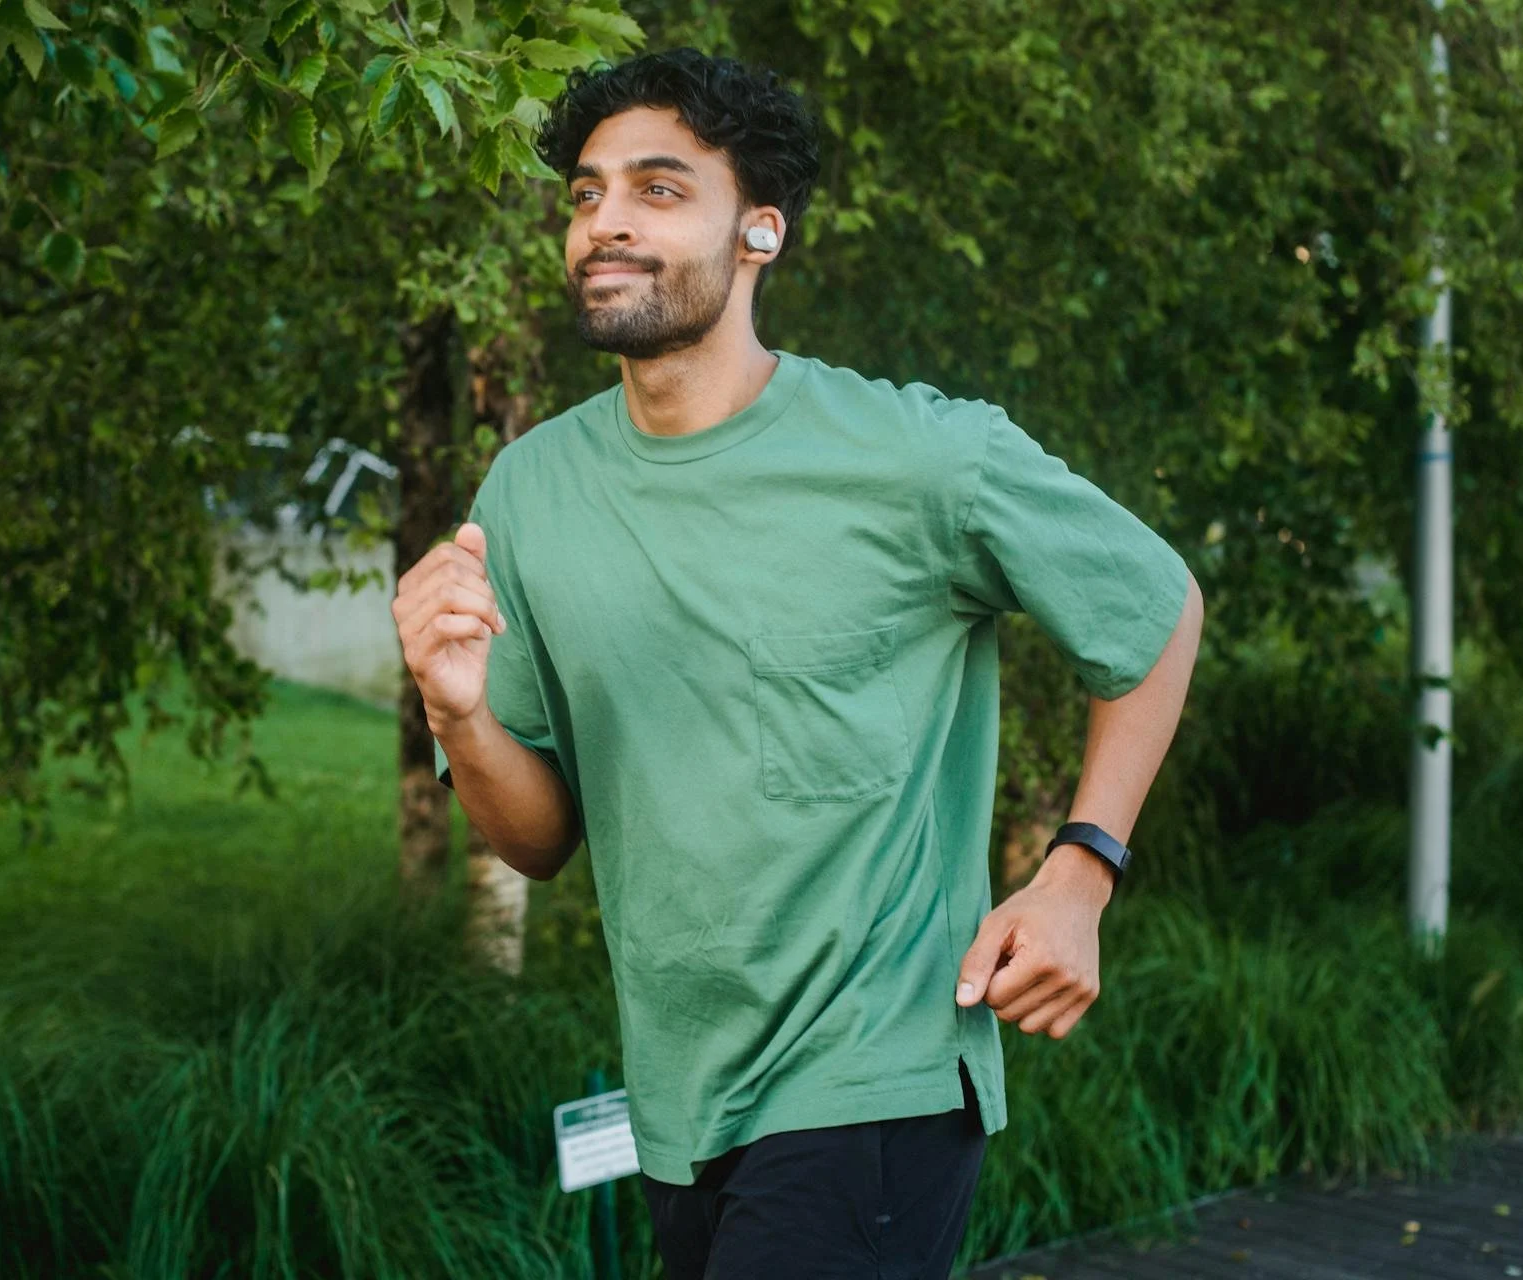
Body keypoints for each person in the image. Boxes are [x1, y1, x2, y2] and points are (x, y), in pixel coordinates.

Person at [391, 46, 1204, 1280]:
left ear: (759, 231)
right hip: (679, 1100)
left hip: (874, 1079)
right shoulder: (531, 492)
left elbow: (1153, 610)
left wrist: (1081, 872)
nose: (605, 220)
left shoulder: (920, 457)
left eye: (659, 189)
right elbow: (539, 839)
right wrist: (459, 716)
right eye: (588, 192)